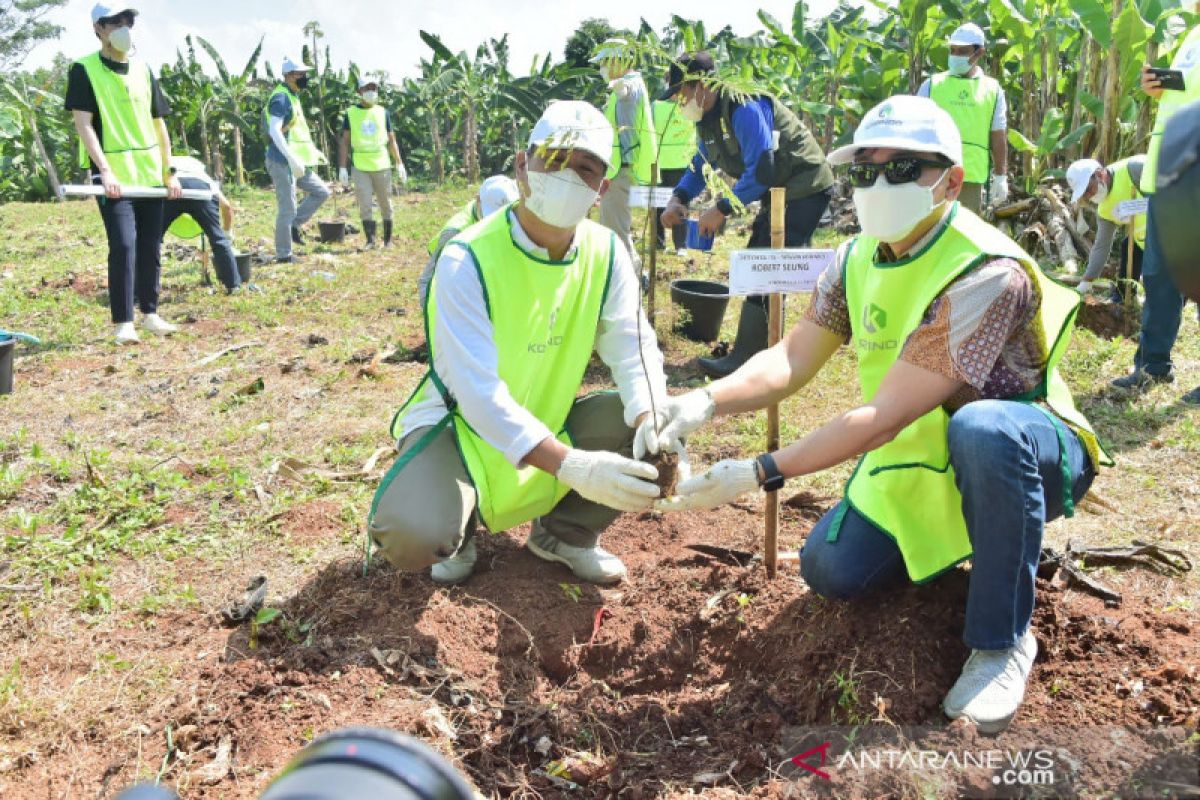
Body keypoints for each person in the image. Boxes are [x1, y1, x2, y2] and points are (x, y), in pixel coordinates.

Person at [645, 96, 1109, 733]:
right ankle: (965, 553)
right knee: (830, 569)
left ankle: (1001, 641)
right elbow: (792, 359)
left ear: (950, 181)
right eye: (866, 171)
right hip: (920, 450)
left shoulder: (986, 271)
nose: (879, 186)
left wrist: (758, 472)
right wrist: (703, 401)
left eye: (903, 169)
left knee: (983, 432)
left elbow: (884, 415)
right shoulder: (854, 257)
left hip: (1026, 447)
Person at [369, 101, 671, 586]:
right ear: (520, 165)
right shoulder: (466, 258)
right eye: (553, 160)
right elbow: (478, 395)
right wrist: (573, 465)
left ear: (601, 189)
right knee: (413, 533)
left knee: (644, 422)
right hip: (460, 428)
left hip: (543, 421)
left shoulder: (607, 253)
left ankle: (564, 536)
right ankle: (456, 528)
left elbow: (632, 347)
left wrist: (654, 419)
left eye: (585, 168)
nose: (567, 177)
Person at [659, 51, 834, 377]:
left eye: (680, 93)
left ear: (701, 85)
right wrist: (677, 198)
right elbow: (699, 166)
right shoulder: (706, 120)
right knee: (763, 261)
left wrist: (722, 209)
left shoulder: (743, 107)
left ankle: (749, 360)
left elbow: (763, 170)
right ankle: (757, 353)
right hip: (779, 192)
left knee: (765, 264)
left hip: (805, 185)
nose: (678, 102)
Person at [65, 3, 183, 345]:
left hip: (149, 174)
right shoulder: (84, 69)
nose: (123, 28)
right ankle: (123, 321)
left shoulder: (144, 69)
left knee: (150, 245)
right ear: (99, 29)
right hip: (114, 176)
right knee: (124, 244)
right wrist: (104, 172)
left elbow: (160, 126)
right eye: (115, 22)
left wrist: (169, 171)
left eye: (127, 21)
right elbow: (83, 125)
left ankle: (150, 313)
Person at [1109, 7, 1200, 400]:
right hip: (1164, 174)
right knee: (1159, 275)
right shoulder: (1192, 40)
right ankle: (1152, 366)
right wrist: (1158, 86)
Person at [918, 23, 1008, 212]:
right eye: (953, 50)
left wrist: (1001, 176)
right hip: (932, 173)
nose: (955, 55)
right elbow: (916, 128)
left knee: (964, 233)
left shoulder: (992, 90)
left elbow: (998, 136)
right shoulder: (931, 85)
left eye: (962, 51)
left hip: (971, 177)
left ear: (979, 53)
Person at [592, 38, 657, 271]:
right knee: (617, 227)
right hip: (621, 168)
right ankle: (633, 274)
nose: (602, 69)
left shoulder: (628, 87)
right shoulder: (630, 84)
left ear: (617, 61)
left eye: (605, 63)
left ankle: (630, 281)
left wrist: (621, 89)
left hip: (620, 170)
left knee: (615, 232)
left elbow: (627, 102)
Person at [264, 56, 330, 263]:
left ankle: (294, 225)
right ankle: (284, 255)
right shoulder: (281, 97)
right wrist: (291, 159)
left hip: (296, 162)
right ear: (288, 75)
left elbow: (294, 131)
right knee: (287, 207)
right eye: (300, 74)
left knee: (321, 191)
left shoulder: (293, 96)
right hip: (282, 161)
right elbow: (274, 130)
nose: (305, 77)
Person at [418, 175, 520, 306]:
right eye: (491, 216)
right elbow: (426, 281)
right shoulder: (454, 233)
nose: (495, 222)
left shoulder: (510, 217)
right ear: (478, 200)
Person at [337, 76, 407, 248]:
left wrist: (399, 163)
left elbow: (392, 140)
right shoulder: (351, 114)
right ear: (359, 92)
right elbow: (345, 141)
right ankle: (370, 240)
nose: (372, 92)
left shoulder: (383, 112)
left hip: (381, 163)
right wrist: (342, 168)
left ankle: (388, 240)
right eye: (367, 88)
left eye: (374, 88)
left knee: (385, 203)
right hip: (360, 164)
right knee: (365, 203)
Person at [1066, 157, 1147, 302]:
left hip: (1175, 231)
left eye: (1089, 189)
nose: (1090, 196)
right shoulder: (1104, 211)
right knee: (1128, 246)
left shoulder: (1135, 169)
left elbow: (1174, 192)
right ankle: (1122, 299)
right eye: (1085, 194)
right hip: (1146, 241)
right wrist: (1085, 284)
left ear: (1100, 175)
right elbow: (1101, 247)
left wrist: (1138, 206)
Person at [161, 155, 244, 293]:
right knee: (217, 238)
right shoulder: (203, 176)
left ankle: (139, 292)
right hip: (200, 190)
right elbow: (227, 206)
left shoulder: (165, 164)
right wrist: (226, 236)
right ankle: (233, 285)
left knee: (151, 241)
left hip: (171, 187)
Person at [652, 98, 694, 255]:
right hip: (671, 162)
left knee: (673, 204)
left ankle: (673, 244)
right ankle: (670, 243)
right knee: (666, 204)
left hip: (673, 161)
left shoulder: (657, 106)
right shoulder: (688, 104)